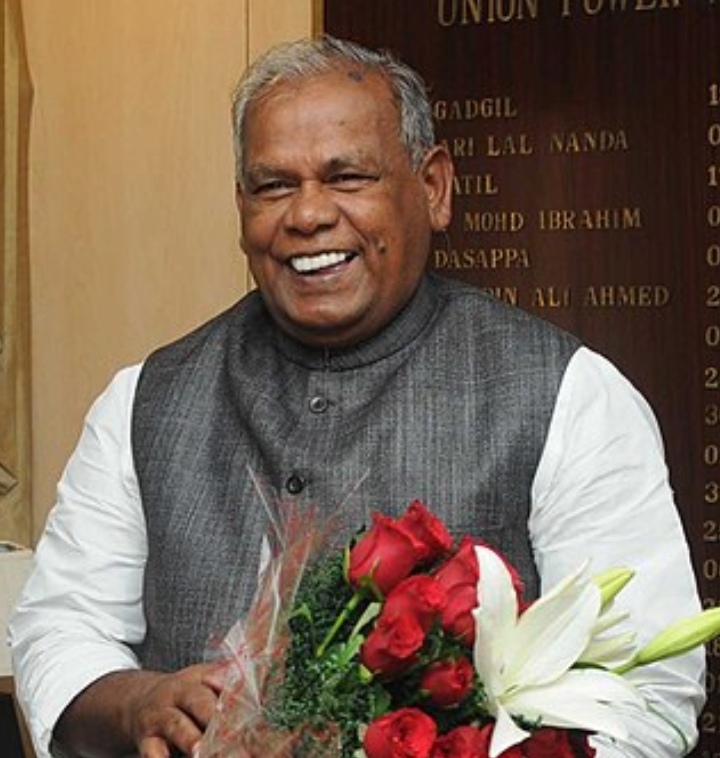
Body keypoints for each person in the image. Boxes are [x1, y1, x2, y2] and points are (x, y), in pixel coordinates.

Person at [9, 34, 706, 758]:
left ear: (433, 188)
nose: (307, 214)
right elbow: (61, 627)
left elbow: (647, 695)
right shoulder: (144, 401)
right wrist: (135, 706)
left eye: (347, 177)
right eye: (273, 186)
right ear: (241, 208)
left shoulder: (568, 394)